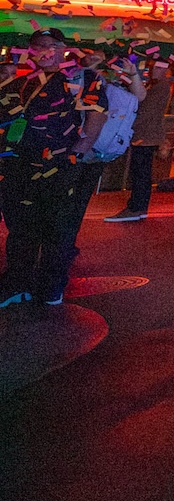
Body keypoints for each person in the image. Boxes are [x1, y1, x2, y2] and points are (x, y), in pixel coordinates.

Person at [1, 30, 107, 308]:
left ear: (64, 49)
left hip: (63, 165)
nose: (46, 51)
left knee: (58, 229)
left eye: (52, 45)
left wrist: (79, 151)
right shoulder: (20, 82)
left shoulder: (83, 78)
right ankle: (18, 283)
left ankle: (51, 286)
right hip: (20, 166)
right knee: (21, 228)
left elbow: (97, 115)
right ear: (30, 51)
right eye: (39, 47)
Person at [106, 54, 164, 222]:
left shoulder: (160, 87)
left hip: (146, 136)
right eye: (153, 67)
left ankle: (136, 207)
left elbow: (145, 109)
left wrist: (128, 122)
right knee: (141, 172)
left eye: (158, 68)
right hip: (146, 136)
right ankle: (137, 207)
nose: (154, 70)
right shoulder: (157, 86)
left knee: (140, 173)